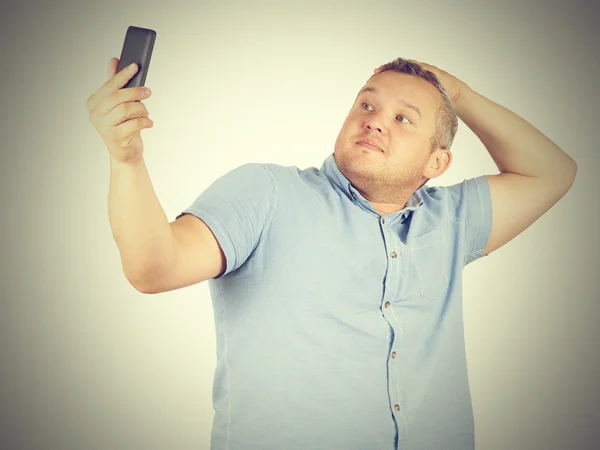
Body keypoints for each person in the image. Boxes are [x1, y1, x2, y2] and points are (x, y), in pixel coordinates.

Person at [86, 56, 577, 450]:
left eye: (403, 117)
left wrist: (458, 94)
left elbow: (553, 172)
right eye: (367, 106)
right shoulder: (267, 192)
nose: (376, 122)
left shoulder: (452, 218)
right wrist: (125, 159)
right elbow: (154, 267)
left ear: (437, 161)